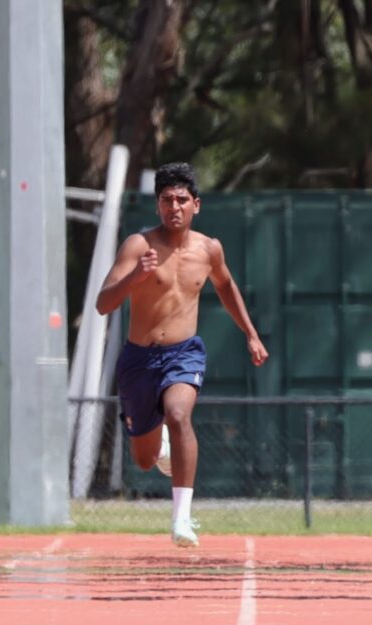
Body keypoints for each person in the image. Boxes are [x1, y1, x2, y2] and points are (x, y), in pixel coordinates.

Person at [96, 162, 268, 547]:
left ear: (196, 205)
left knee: (178, 413)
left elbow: (226, 288)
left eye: (181, 200)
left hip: (183, 353)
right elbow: (103, 304)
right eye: (166, 200)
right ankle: (161, 448)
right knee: (143, 459)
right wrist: (133, 278)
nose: (174, 207)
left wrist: (251, 335)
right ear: (157, 205)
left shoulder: (209, 249)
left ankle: (181, 519)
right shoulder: (138, 246)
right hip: (139, 359)